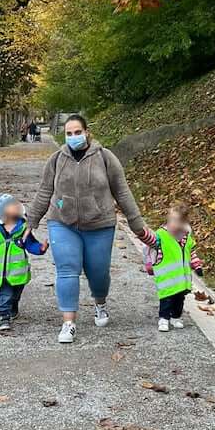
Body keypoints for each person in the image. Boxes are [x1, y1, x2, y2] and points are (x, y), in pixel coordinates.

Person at [25, 113, 156, 343]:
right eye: (69, 133)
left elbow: (122, 192)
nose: (73, 137)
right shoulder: (57, 159)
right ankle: (68, 323)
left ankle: (100, 303)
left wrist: (138, 226)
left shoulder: (105, 158)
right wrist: (31, 222)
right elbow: (45, 191)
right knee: (66, 268)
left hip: (100, 224)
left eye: (78, 132)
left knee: (98, 272)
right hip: (62, 222)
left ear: (87, 133)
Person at [0, 192, 48, 334]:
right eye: (12, 205)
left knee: (16, 294)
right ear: (2, 211)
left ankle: (13, 307)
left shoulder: (23, 229)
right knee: (6, 294)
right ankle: (4, 317)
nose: (17, 206)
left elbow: (30, 244)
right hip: (2, 273)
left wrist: (40, 249)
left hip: (18, 271)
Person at [142, 203, 204, 332]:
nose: (173, 224)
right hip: (166, 279)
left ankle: (176, 317)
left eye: (177, 221)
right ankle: (163, 319)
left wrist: (197, 265)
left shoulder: (186, 238)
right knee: (166, 300)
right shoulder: (161, 236)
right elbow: (150, 240)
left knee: (179, 300)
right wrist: (142, 232)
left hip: (182, 280)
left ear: (184, 223)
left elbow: (191, 253)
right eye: (171, 220)